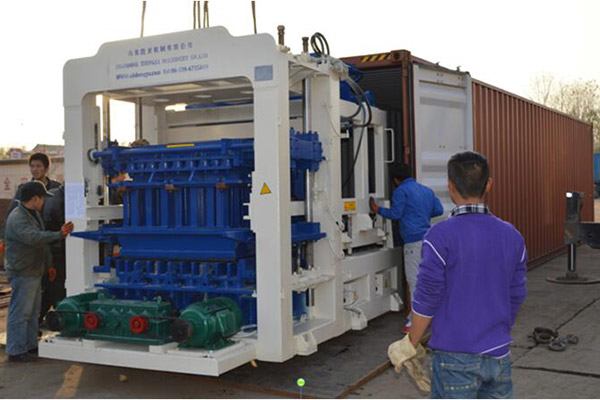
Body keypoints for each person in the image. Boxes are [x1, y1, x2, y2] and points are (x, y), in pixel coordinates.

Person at [388, 151, 528, 398]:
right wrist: (496, 329)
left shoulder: (439, 236)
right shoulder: (512, 235)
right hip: (499, 354)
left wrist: (411, 343)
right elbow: (516, 294)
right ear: (489, 185)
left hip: (454, 357)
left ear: (450, 187)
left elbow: (427, 297)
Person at [4, 181, 73, 362]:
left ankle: (30, 345)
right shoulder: (18, 218)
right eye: (42, 198)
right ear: (35, 199)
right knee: (21, 312)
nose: (44, 202)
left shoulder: (33, 214)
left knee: (33, 312)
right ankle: (16, 350)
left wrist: (49, 265)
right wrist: (59, 234)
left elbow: (42, 244)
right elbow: (34, 238)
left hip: (34, 270)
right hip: (23, 271)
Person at [369, 163, 444, 333]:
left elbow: (396, 214)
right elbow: (438, 210)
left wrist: (377, 209)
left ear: (396, 180)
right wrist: (421, 214)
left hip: (412, 242)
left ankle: (415, 321)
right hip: (428, 240)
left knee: (414, 281)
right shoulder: (426, 190)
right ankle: (432, 316)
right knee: (428, 279)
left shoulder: (401, 191)